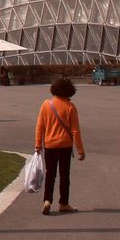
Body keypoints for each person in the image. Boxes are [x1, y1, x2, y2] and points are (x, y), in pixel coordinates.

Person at [35, 77, 86, 215]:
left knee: (50, 174)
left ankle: (47, 200)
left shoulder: (46, 104)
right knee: (64, 175)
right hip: (65, 145)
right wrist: (80, 150)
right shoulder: (70, 107)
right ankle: (63, 203)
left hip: (50, 145)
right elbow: (75, 131)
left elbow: (40, 126)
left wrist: (38, 144)